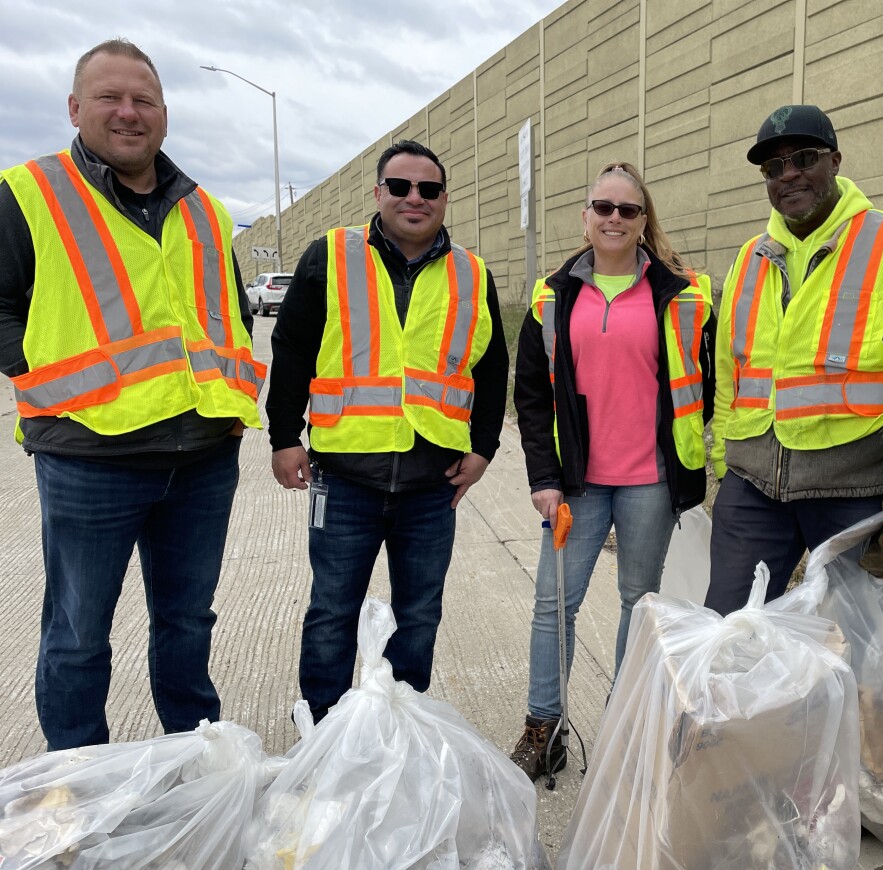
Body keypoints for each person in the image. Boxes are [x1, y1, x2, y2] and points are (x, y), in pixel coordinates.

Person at [0, 39, 264, 750]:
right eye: (110, 98)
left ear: (164, 114)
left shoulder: (203, 209)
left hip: (202, 455)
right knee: (79, 634)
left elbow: (232, 313)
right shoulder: (28, 193)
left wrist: (230, 409)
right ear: (75, 108)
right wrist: (31, 365)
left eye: (143, 100)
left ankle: (194, 761)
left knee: (187, 623)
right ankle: (78, 783)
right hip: (90, 458)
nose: (128, 112)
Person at [266, 140, 508, 722]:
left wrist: (483, 448)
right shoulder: (331, 255)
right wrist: (282, 436)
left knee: (419, 613)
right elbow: (292, 348)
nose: (413, 198)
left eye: (428, 189)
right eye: (399, 186)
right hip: (345, 477)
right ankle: (321, 725)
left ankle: (403, 724)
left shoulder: (472, 273)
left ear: (445, 198)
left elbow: (492, 366)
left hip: (431, 484)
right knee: (332, 610)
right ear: (378, 194)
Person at [704, 104, 883, 613]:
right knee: (725, 635)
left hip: (860, 489)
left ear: (836, 161)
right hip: (754, 490)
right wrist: (724, 466)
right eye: (773, 167)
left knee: (879, 657)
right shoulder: (748, 259)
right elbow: (729, 375)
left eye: (804, 158)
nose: (789, 175)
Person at [509, 161, 715, 780]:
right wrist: (543, 478)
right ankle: (543, 728)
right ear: (586, 217)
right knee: (554, 604)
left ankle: (625, 725)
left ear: (644, 219)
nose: (614, 219)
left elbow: (706, 385)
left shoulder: (682, 296)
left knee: (638, 602)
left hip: (650, 480)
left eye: (627, 210)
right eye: (604, 207)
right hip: (577, 483)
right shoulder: (554, 295)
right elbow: (530, 395)